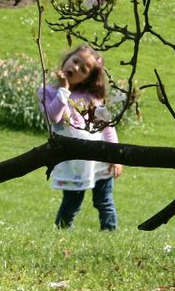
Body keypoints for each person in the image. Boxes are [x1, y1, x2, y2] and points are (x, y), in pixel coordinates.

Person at [37, 44, 122, 230]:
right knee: (72, 201)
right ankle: (62, 232)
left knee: (104, 200)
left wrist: (116, 156)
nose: (75, 68)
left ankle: (110, 234)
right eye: (75, 61)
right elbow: (54, 117)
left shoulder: (91, 97)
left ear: (87, 78)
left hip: (99, 157)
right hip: (73, 160)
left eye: (83, 69)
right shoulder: (48, 92)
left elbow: (107, 127)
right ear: (67, 58)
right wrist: (64, 90)